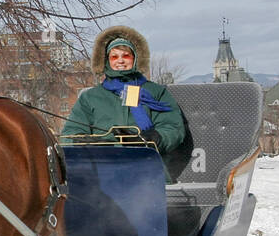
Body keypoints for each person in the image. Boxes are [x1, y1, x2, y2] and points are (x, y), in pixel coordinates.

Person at [62, 25, 189, 180]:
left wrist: (156, 138)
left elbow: (173, 128)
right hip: (101, 171)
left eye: (126, 56)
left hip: (147, 168)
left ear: (135, 58)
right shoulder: (90, 97)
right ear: (106, 61)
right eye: (114, 57)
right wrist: (85, 143)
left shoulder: (155, 92)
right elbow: (70, 133)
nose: (120, 61)